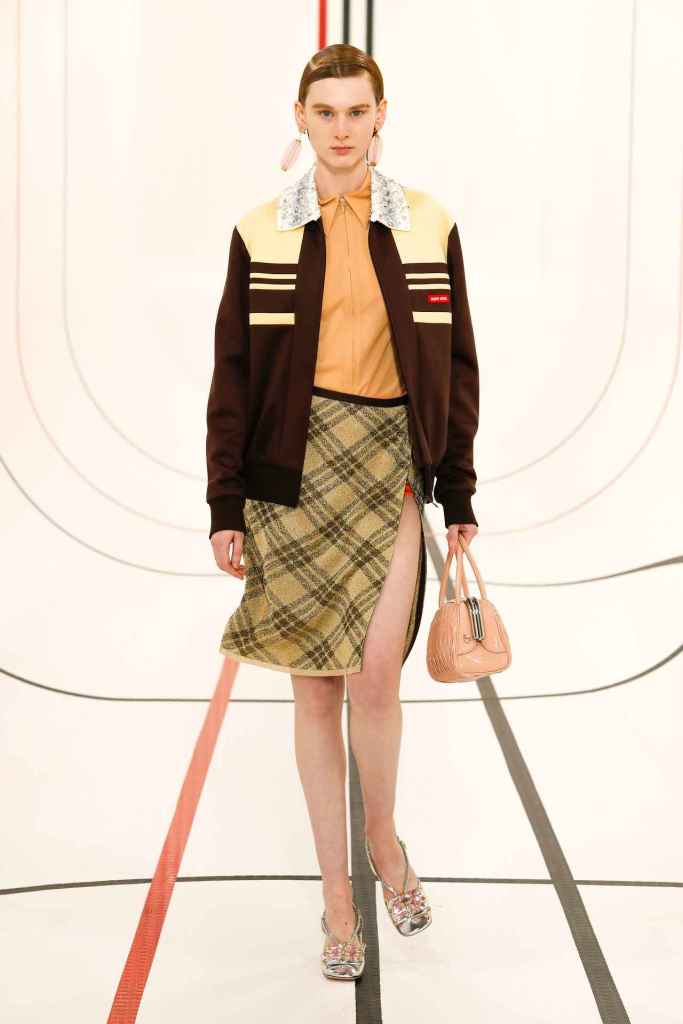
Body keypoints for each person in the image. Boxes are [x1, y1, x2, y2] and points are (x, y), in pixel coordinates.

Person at [206, 43, 480, 981]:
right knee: (314, 690)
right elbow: (232, 376)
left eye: (356, 111)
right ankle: (335, 897)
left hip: (389, 463)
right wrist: (225, 500)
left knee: (373, 680)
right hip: (289, 473)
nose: (340, 128)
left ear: (380, 116)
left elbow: (458, 362)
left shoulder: (427, 224)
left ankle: (384, 844)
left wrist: (458, 487)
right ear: (299, 117)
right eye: (323, 112)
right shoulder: (263, 232)